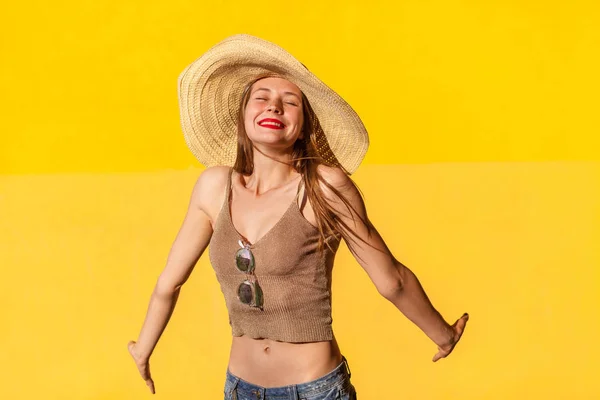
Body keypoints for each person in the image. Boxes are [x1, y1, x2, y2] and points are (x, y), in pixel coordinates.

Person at [127, 34, 469, 400]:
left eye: (290, 103)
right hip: (241, 389)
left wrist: (442, 333)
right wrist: (143, 348)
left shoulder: (325, 186)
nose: (274, 107)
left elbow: (392, 280)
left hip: (315, 390)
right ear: (242, 117)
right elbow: (170, 282)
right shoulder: (214, 186)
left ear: (303, 126)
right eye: (261, 99)